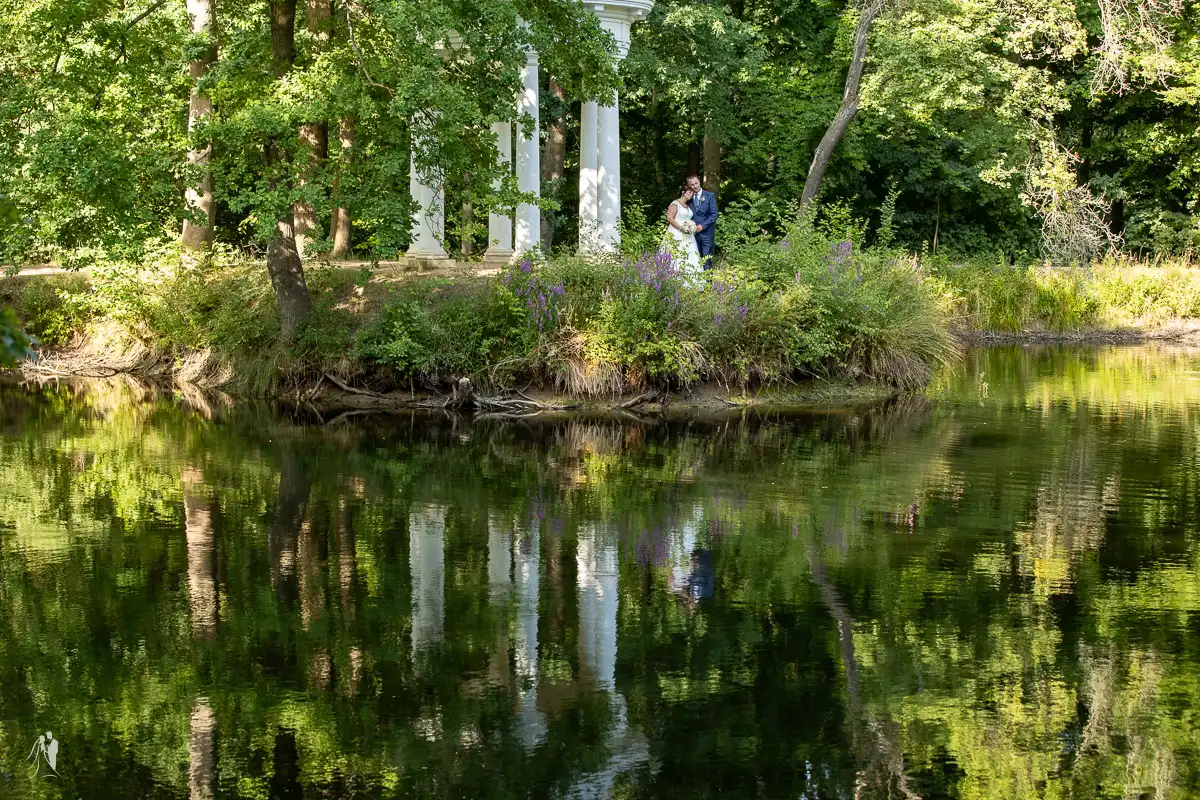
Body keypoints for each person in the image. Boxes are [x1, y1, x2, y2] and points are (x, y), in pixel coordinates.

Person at [663, 185, 702, 281]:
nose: (691, 194)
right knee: (676, 255)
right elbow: (670, 218)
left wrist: (691, 227)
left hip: (688, 235)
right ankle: (673, 279)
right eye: (689, 192)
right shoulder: (675, 204)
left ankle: (691, 280)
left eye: (692, 193)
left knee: (690, 255)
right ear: (683, 192)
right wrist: (681, 228)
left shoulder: (687, 206)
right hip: (676, 233)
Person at [686, 175, 718, 270]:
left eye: (696, 183)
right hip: (693, 235)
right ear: (689, 186)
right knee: (695, 260)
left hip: (707, 234)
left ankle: (708, 284)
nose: (695, 186)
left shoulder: (709, 196)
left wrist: (703, 226)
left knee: (706, 261)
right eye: (692, 185)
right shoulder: (689, 198)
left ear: (699, 182)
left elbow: (714, 214)